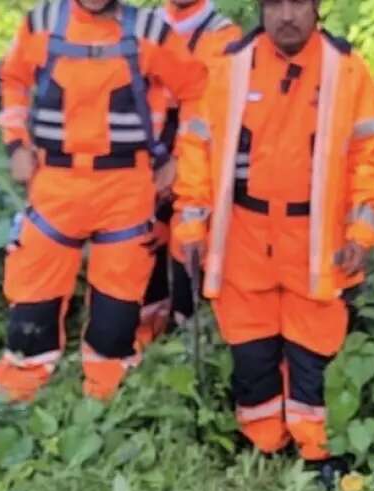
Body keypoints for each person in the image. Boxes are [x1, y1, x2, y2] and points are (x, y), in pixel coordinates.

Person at [173, 0, 374, 483]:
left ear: (316, 9)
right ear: (259, 8)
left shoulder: (347, 70)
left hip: (317, 238)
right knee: (251, 353)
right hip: (244, 236)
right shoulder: (228, 67)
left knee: (313, 354)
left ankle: (316, 455)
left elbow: (370, 160)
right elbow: (196, 153)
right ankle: (263, 445)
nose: (286, 15)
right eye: (275, 4)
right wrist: (191, 226)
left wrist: (361, 233)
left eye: (298, 4)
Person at [0, 0, 207, 404]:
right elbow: (10, 80)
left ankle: (105, 393)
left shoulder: (150, 33)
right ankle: (17, 390)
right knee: (32, 292)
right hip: (54, 180)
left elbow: (198, 91)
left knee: (119, 301)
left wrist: (179, 159)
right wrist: (16, 145)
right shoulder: (42, 23)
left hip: (126, 184)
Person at [136, 0, 242, 347]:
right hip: (144, 154)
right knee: (141, 247)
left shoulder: (223, 36)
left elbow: (210, 112)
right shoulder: (142, 25)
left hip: (195, 159)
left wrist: (180, 165)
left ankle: (187, 341)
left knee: (188, 244)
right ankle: (142, 341)